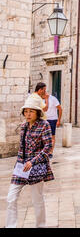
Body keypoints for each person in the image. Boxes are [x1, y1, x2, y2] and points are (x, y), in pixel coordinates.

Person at [6, 95, 54, 228]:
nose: (27, 114)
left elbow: (48, 147)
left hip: (35, 167)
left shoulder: (44, 125)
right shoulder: (23, 126)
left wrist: (32, 162)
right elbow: (22, 148)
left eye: (31, 111)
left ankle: (41, 225)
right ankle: (11, 226)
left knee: (37, 200)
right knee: (11, 198)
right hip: (21, 167)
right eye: (26, 111)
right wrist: (19, 164)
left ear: (38, 112)